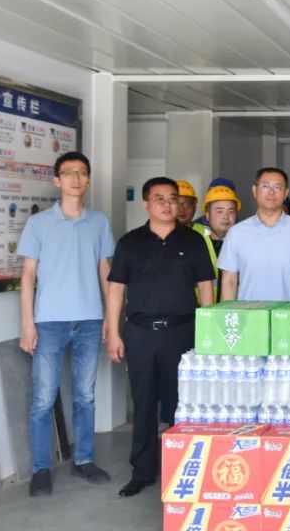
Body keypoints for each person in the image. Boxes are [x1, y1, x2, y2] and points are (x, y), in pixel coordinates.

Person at [106, 177, 215, 498]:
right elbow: (116, 289)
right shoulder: (130, 243)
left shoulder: (193, 241)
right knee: (143, 403)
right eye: (159, 199)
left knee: (181, 403)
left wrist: (207, 336)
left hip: (183, 332)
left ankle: (182, 468)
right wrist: (114, 332)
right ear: (146, 204)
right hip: (140, 333)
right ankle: (142, 472)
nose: (168, 205)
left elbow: (206, 288)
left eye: (173, 199)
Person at [19, 151, 115, 498]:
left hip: (89, 319)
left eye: (82, 172)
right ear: (57, 180)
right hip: (48, 322)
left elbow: (106, 272)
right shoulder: (39, 224)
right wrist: (28, 324)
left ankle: (84, 460)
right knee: (43, 399)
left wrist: (110, 318)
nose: (76, 178)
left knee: (85, 396)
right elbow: (28, 276)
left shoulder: (99, 222)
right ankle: (41, 468)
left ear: (88, 179)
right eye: (69, 172)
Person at [218, 167, 290, 301]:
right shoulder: (236, 233)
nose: (271, 192)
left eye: (278, 187)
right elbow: (229, 282)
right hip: (248, 313)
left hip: (288, 313)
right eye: (265, 186)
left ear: (285, 193)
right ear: (255, 191)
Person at [191, 184, 241, 301]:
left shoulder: (245, 243)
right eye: (219, 211)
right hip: (199, 309)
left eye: (231, 211)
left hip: (235, 310)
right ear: (207, 215)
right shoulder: (194, 241)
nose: (226, 217)